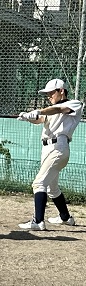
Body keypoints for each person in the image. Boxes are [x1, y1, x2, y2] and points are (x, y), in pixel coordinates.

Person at [17, 78, 83, 230]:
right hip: (47, 148)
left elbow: (59, 110)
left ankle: (38, 221)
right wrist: (28, 117)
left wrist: (38, 111)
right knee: (51, 188)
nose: (48, 96)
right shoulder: (52, 109)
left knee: (39, 183)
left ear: (61, 91)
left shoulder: (74, 104)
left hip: (59, 147)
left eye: (51, 93)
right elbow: (41, 119)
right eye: (47, 94)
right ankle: (65, 217)